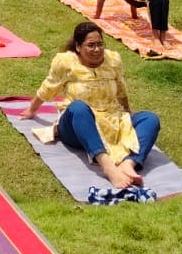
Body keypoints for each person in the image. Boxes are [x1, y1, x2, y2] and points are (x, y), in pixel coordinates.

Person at [19, 22, 162, 190]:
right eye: (91, 45)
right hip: (77, 126)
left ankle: (129, 164)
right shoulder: (66, 62)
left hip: (112, 120)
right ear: (78, 47)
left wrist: (127, 112)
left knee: (150, 119)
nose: (97, 49)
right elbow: (49, 87)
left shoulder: (113, 60)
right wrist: (32, 109)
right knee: (78, 108)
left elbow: (120, 88)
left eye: (100, 44)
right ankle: (107, 166)